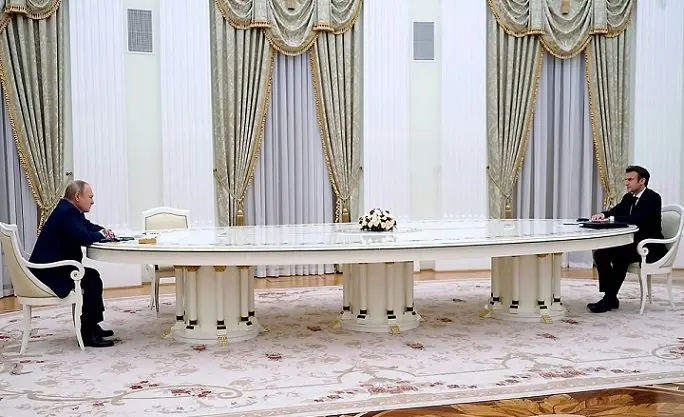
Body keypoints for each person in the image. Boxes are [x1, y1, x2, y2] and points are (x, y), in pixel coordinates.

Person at [29, 180, 116, 347]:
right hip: (49, 273)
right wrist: (102, 235)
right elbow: (83, 237)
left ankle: (92, 325)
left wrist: (102, 230)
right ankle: (88, 333)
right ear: (77, 196)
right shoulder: (67, 214)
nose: (92, 201)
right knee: (91, 279)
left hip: (55, 268)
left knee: (92, 277)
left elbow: (86, 226)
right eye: (90, 197)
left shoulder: (69, 210)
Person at [587, 165, 666, 313]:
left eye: (630, 179)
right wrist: (603, 215)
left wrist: (610, 219)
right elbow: (616, 211)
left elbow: (637, 218)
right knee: (600, 253)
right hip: (631, 243)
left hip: (649, 246)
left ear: (642, 181)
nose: (626, 183)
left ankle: (609, 299)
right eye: (625, 180)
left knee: (620, 257)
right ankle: (610, 297)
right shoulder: (628, 197)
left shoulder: (653, 198)